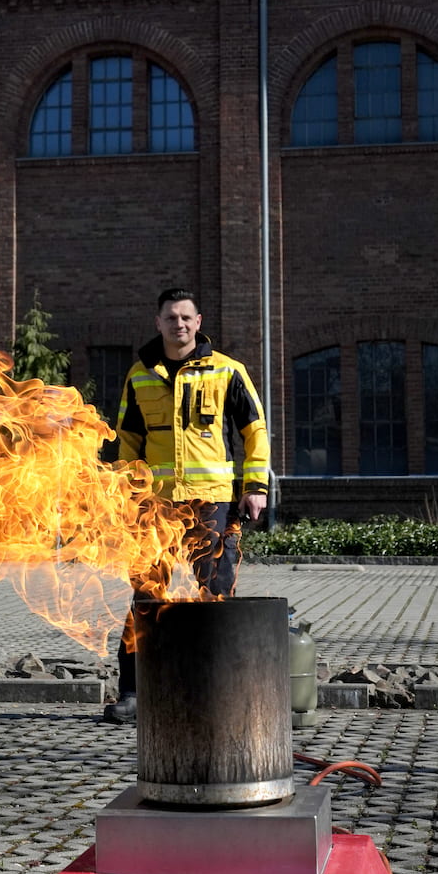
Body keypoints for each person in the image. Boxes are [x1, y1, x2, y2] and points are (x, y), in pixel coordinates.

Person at [102, 287, 269, 723]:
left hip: (210, 503)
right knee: (146, 598)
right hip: (155, 507)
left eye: (186, 318)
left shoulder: (227, 371)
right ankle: (135, 694)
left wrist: (255, 487)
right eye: (170, 318)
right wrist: (125, 493)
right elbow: (128, 440)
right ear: (158, 323)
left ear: (199, 322)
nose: (179, 324)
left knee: (214, 598)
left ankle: (217, 692)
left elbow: (255, 431)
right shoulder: (139, 374)